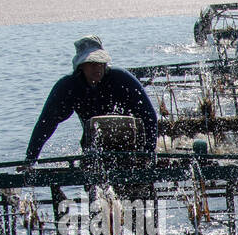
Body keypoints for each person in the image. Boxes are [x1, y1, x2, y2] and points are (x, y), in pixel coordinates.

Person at [25, 36, 158, 164]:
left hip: (133, 142)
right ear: (81, 66)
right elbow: (46, 123)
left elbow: (149, 115)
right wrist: (31, 158)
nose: (97, 68)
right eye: (92, 64)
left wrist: (149, 151)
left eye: (100, 63)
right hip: (93, 145)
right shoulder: (68, 86)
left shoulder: (121, 79)